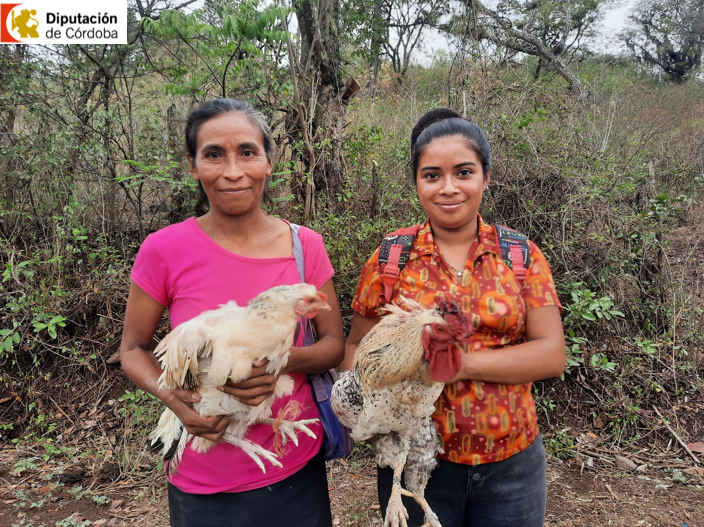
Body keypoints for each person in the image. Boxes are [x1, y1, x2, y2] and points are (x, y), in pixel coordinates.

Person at [119, 98, 344, 527]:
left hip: (295, 467)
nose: (233, 171)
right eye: (213, 155)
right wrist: (175, 401)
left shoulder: (304, 246)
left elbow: (333, 346)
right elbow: (132, 349)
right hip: (205, 478)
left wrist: (275, 361)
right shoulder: (164, 250)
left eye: (247, 152)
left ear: (269, 161)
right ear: (192, 165)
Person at [342, 108, 566, 527]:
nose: (448, 188)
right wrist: (374, 394)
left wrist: (456, 364)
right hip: (413, 460)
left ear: (485, 176)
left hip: (511, 461)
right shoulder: (392, 258)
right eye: (432, 175)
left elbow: (552, 354)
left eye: (463, 172)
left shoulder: (520, 255)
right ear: (416, 182)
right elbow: (354, 347)